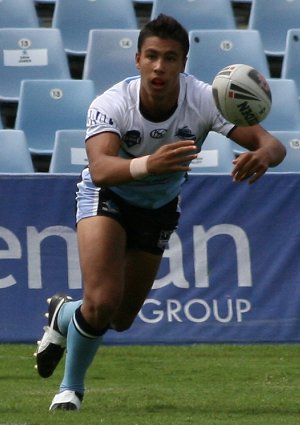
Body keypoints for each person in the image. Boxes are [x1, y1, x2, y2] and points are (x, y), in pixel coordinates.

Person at [35, 14, 286, 411]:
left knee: (119, 318)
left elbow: (273, 145)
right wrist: (149, 164)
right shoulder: (113, 102)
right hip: (108, 196)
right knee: (101, 301)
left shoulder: (204, 98)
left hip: (159, 208)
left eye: (170, 58)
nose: (159, 66)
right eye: (151, 56)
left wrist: (262, 156)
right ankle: (70, 390)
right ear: (137, 60)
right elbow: (100, 169)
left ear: (183, 64)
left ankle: (62, 313)